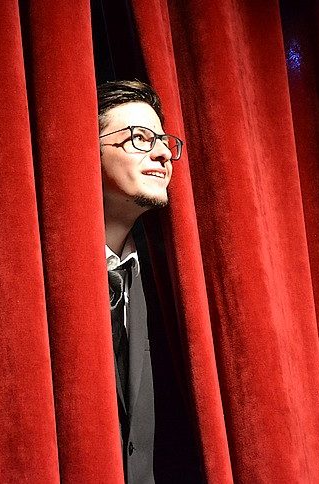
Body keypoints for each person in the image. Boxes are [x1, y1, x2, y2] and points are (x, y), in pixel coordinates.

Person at [97, 80, 201, 483]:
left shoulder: (167, 289)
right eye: (139, 138)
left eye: (162, 141)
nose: (162, 153)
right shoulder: (36, 282)